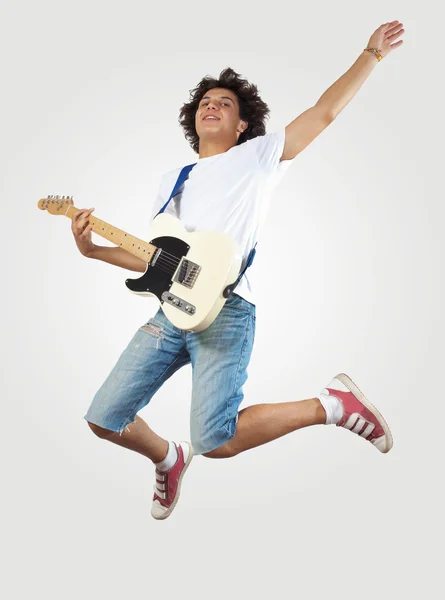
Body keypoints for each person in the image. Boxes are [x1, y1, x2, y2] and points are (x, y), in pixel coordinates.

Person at [73, 22, 404, 520]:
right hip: (170, 314)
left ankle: (331, 405)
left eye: (225, 103)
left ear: (243, 124)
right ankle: (168, 457)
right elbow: (158, 259)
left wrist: (371, 54)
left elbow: (324, 112)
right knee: (103, 418)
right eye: (206, 101)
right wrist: (92, 251)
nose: (212, 105)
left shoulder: (257, 158)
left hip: (226, 311)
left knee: (218, 441)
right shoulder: (173, 181)